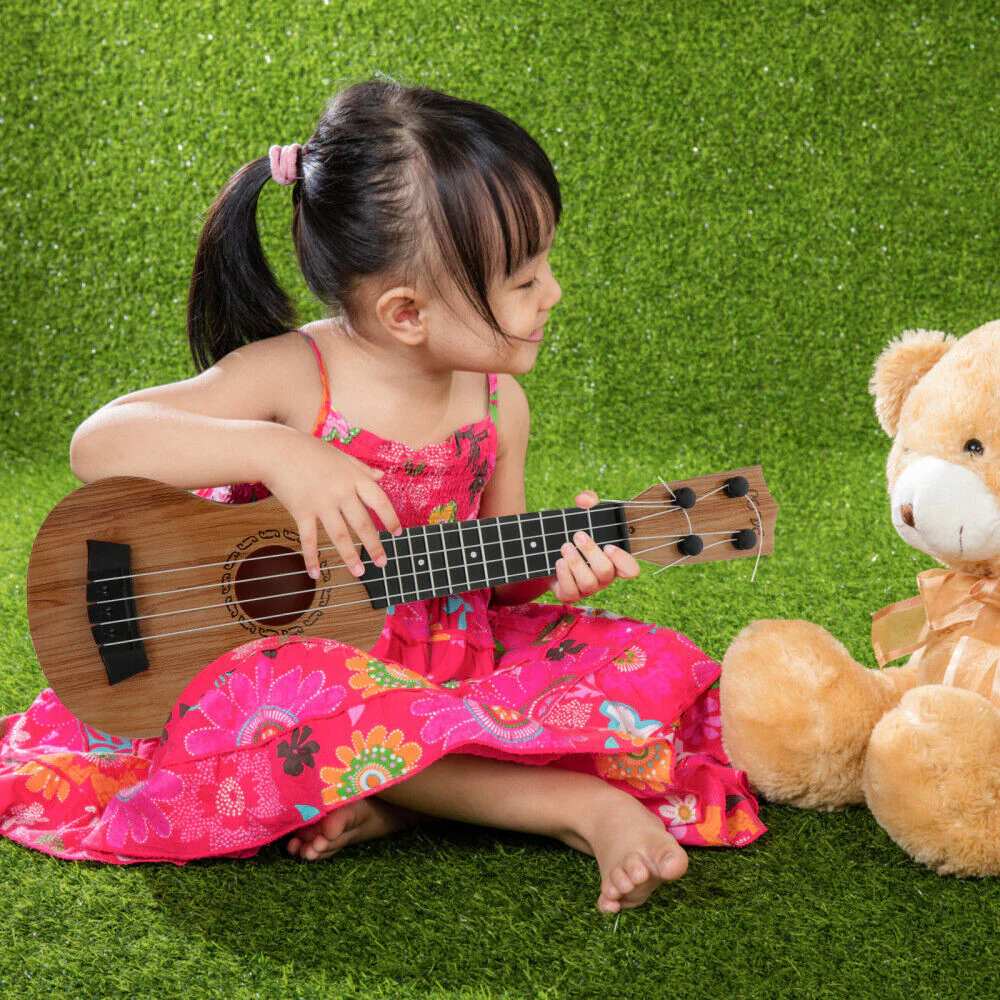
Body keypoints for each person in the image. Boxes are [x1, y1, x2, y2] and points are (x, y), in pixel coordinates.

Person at [0, 78, 764, 914]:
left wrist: (558, 567)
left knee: (653, 665)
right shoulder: (297, 377)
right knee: (293, 702)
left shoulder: (498, 405)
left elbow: (499, 579)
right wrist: (279, 452)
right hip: (285, 683)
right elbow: (98, 443)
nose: (552, 292)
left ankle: (397, 793)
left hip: (443, 663)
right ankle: (575, 808)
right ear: (406, 313)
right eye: (522, 279)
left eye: (545, 265)